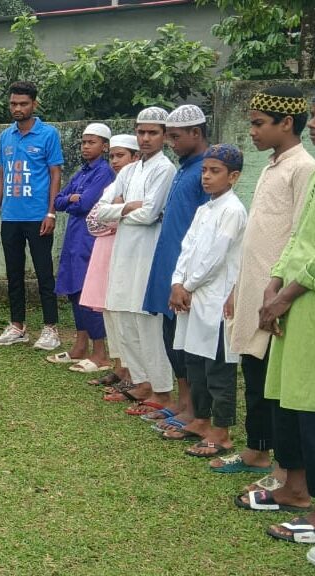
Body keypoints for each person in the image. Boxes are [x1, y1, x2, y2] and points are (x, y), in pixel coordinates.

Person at [219, 86, 315, 484]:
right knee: (256, 376)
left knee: (271, 386)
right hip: (259, 288)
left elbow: (300, 238)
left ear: (286, 123)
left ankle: (280, 467)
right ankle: (258, 451)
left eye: (259, 124)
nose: (252, 131)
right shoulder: (273, 166)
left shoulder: (303, 168)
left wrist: (282, 293)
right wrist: (239, 287)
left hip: (282, 297)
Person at [131, 104, 210, 420]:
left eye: (175, 137)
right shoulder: (185, 167)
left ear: (196, 133)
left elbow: (206, 229)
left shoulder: (207, 169)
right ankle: (182, 401)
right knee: (171, 336)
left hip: (188, 273)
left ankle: (194, 410)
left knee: (187, 343)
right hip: (169, 266)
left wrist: (188, 278)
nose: (170, 143)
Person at [95, 107, 177, 410]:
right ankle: (141, 383)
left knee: (146, 323)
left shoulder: (164, 169)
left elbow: (150, 214)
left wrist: (119, 209)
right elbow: (99, 210)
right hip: (123, 252)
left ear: (164, 136)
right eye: (141, 132)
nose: (145, 138)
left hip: (147, 253)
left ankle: (161, 389)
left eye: (152, 132)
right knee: (123, 317)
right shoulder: (129, 171)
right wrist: (129, 207)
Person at [169, 144, 247, 456]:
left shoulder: (233, 210)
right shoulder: (205, 209)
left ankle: (221, 431)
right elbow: (187, 248)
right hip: (192, 297)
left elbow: (216, 258)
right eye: (204, 170)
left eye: (215, 171)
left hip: (216, 299)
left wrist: (186, 285)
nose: (206, 176)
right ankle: (201, 420)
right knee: (195, 362)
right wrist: (177, 282)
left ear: (233, 176)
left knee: (218, 367)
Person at [0, 81, 64, 350]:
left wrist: (51, 212)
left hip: (38, 216)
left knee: (44, 273)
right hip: (11, 217)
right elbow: (1, 175)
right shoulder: (5, 136)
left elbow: (55, 174)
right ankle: (17, 326)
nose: (17, 108)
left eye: (23, 103)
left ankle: (51, 328)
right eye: (13, 104)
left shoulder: (48, 134)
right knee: (14, 274)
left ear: (34, 104)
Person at [48, 122, 114, 372]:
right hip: (74, 237)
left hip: (90, 239)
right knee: (75, 291)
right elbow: (57, 201)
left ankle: (100, 353)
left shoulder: (104, 172)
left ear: (104, 146)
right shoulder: (82, 172)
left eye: (91, 142)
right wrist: (70, 199)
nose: (86, 147)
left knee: (90, 293)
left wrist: (72, 200)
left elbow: (85, 204)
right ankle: (80, 346)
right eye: (84, 142)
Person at [82, 134, 140, 388]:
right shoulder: (113, 187)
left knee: (125, 315)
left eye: (121, 156)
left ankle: (132, 373)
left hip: (125, 252)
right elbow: (93, 221)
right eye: (113, 156)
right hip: (105, 252)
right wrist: (120, 211)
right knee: (110, 313)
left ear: (135, 157)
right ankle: (119, 368)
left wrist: (114, 212)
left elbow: (140, 216)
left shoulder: (139, 186)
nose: (115, 161)